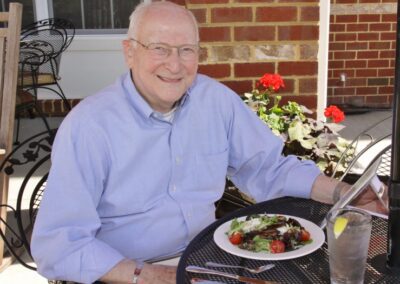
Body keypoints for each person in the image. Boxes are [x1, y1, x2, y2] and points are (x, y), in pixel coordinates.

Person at [31, 1, 388, 283]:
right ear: (129, 51)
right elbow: (57, 244)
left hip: (208, 261)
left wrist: (344, 193)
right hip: (126, 273)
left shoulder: (215, 101)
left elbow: (267, 168)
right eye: (159, 48)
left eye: (187, 49)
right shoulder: (90, 127)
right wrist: (147, 276)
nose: (175, 64)